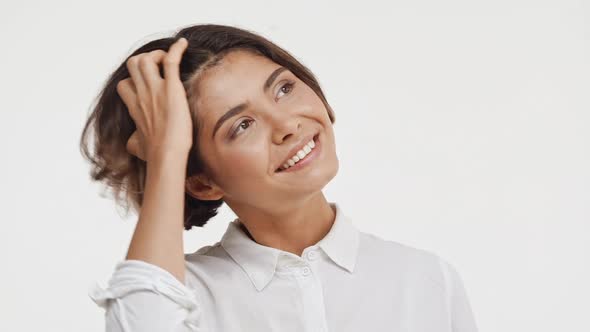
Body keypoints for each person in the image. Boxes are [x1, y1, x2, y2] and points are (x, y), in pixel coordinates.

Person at [81, 24, 479, 332]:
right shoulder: (185, 295)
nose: (286, 124)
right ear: (202, 182)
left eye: (284, 88)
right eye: (241, 125)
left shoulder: (425, 279)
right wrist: (168, 153)